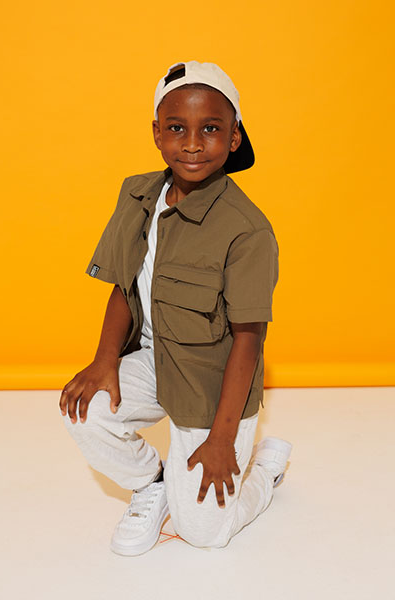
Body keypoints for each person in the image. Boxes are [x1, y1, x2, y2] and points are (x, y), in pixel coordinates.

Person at [59, 60, 293, 556]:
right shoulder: (137, 194)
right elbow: (124, 286)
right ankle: (154, 482)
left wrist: (222, 439)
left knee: (204, 533)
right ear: (157, 134)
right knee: (85, 411)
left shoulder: (247, 231)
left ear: (234, 137)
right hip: (154, 358)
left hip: (212, 384)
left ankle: (263, 471)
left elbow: (249, 339)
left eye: (210, 129)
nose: (191, 144)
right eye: (176, 128)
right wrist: (104, 361)